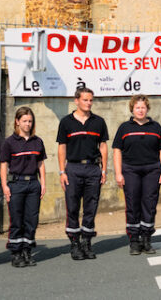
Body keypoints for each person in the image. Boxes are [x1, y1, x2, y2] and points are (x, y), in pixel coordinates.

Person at [113, 95, 161, 256]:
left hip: (152, 171)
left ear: (147, 109)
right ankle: (134, 241)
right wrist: (118, 173)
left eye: (143, 107)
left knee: (149, 205)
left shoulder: (156, 127)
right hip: (130, 170)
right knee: (132, 205)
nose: (140, 110)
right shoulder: (125, 127)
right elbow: (117, 151)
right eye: (137, 107)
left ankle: (146, 238)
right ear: (132, 109)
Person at [57, 86, 108, 261]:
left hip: (93, 169)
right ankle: (74, 244)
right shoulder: (66, 122)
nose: (88, 103)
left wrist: (104, 169)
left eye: (91, 100)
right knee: (72, 207)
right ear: (76, 100)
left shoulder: (98, 121)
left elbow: (103, 146)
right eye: (85, 100)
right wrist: (62, 171)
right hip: (73, 169)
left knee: (91, 207)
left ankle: (86, 242)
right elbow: (62, 147)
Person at [0, 106, 46, 268]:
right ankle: (16, 253)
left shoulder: (37, 141)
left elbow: (40, 163)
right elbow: (3, 165)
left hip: (33, 183)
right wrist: (4, 186)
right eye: (25, 121)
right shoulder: (9, 142)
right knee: (17, 219)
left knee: (31, 219)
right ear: (17, 122)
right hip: (16, 184)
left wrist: (43, 183)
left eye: (30, 121)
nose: (28, 124)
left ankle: (27, 250)